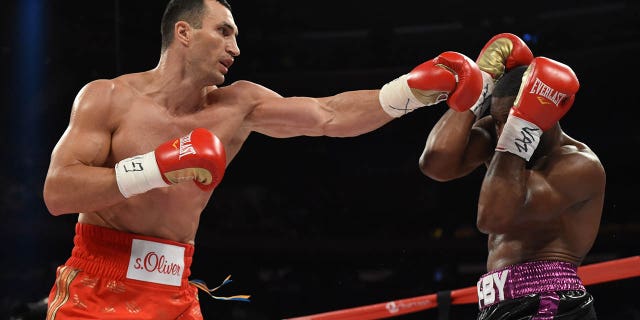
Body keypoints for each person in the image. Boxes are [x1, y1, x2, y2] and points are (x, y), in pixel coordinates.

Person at [42, 0, 491, 319]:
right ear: (183, 32)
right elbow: (58, 193)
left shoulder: (238, 105)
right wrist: (154, 168)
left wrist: (408, 93)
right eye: (224, 32)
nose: (235, 48)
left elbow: (327, 115)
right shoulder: (108, 97)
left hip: (173, 288)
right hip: (99, 282)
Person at [419, 33, 605, 319]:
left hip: (551, 302)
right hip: (500, 304)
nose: (504, 128)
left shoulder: (579, 166)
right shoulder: (497, 132)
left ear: (547, 114)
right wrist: (478, 85)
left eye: (513, 118)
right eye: (499, 120)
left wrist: (522, 125)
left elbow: (492, 218)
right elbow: (436, 163)